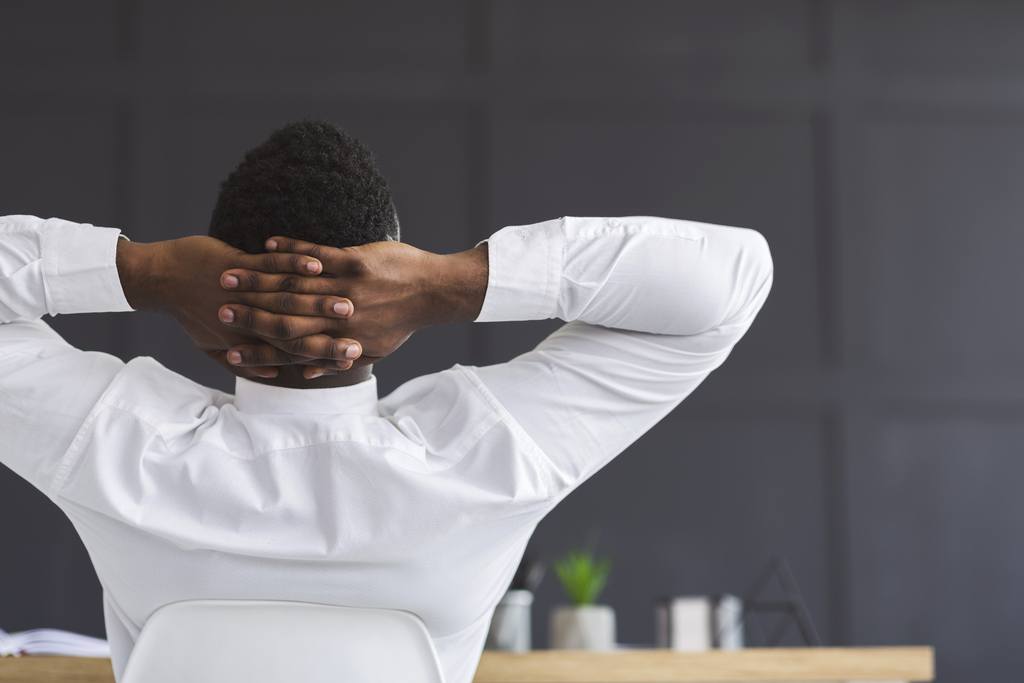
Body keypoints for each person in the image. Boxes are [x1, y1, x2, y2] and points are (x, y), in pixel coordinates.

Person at [0, 121, 773, 683]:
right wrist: (451, 284)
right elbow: (730, 284)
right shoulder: (491, 456)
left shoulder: (115, 444)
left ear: (208, 314)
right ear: (391, 297)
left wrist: (143, 271)